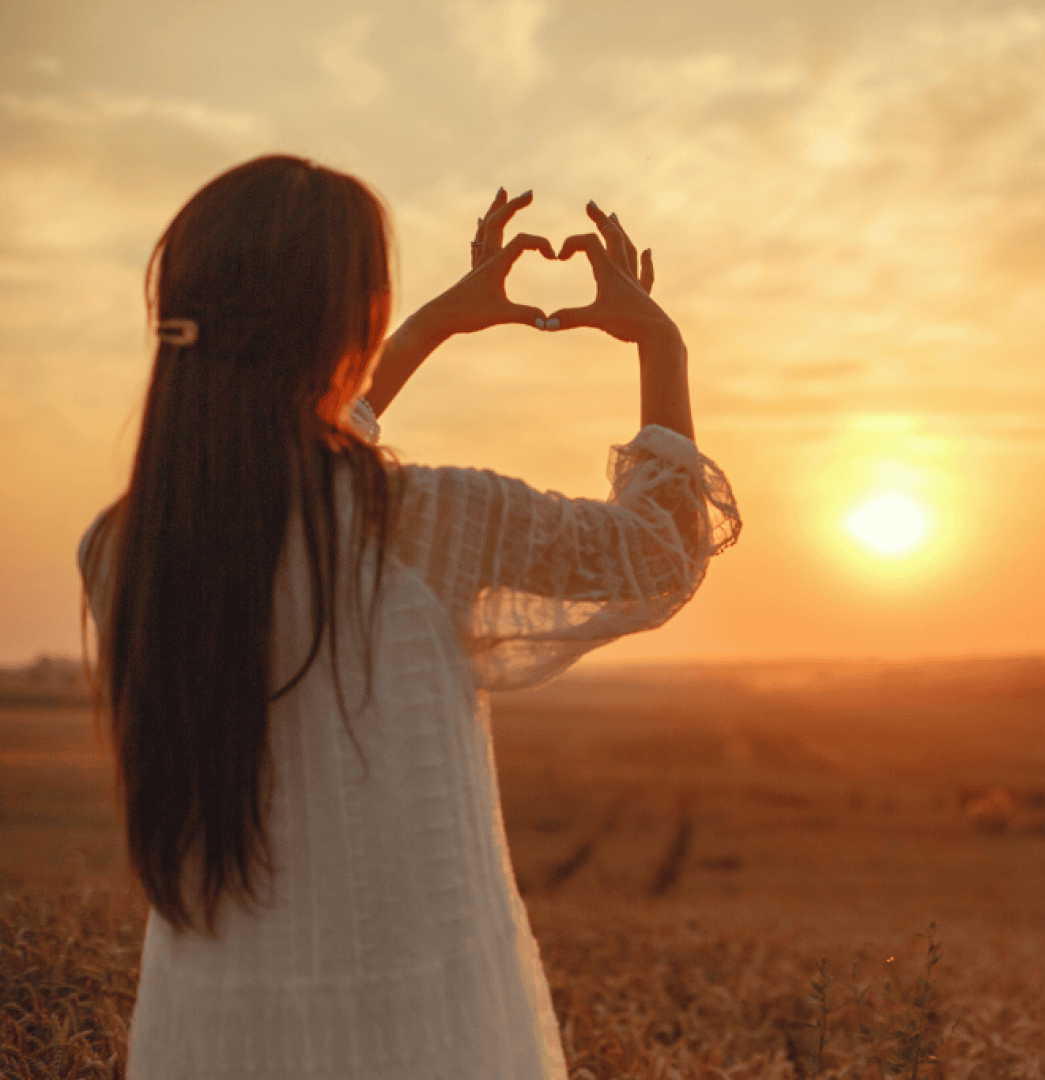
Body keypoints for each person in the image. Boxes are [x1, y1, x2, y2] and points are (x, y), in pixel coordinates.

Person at [77, 155, 740, 1080]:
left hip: (203, 1029)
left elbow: (278, 457)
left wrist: (430, 326)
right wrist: (659, 344)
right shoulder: (425, 522)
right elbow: (656, 556)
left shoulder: (125, 546)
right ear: (355, 322)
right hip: (415, 1030)